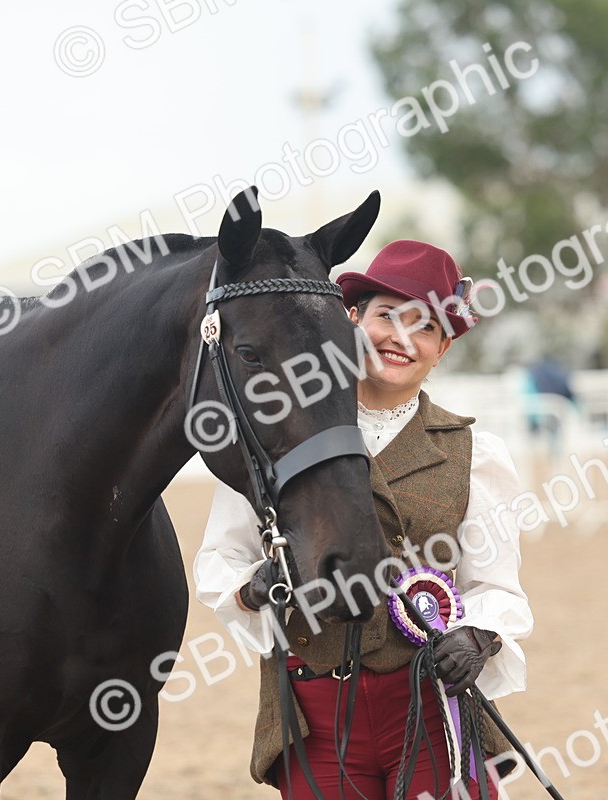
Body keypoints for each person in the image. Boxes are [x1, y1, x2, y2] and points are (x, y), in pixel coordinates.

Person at [194, 240, 534, 799]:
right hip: (316, 712)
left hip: (430, 709)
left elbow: (496, 588)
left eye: (424, 328)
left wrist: (478, 635)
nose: (402, 339)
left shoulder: (478, 455)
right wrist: (253, 588)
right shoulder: (276, 429)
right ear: (351, 320)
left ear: (442, 348)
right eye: (386, 316)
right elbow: (220, 559)